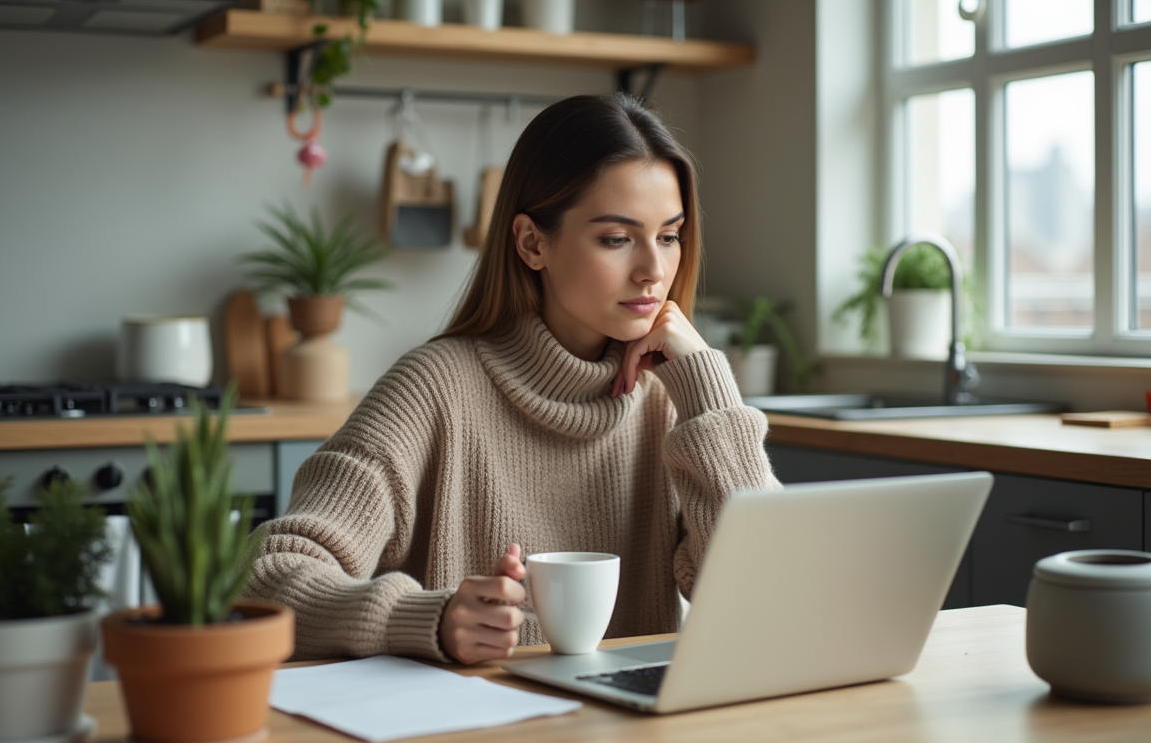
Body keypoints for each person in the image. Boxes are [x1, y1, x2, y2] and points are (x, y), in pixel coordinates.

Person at [245, 92, 780, 665]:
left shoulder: (670, 402)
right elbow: (268, 578)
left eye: (669, 236)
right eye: (616, 238)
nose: (654, 269)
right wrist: (426, 618)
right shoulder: (432, 389)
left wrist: (708, 390)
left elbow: (774, 600)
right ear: (532, 243)